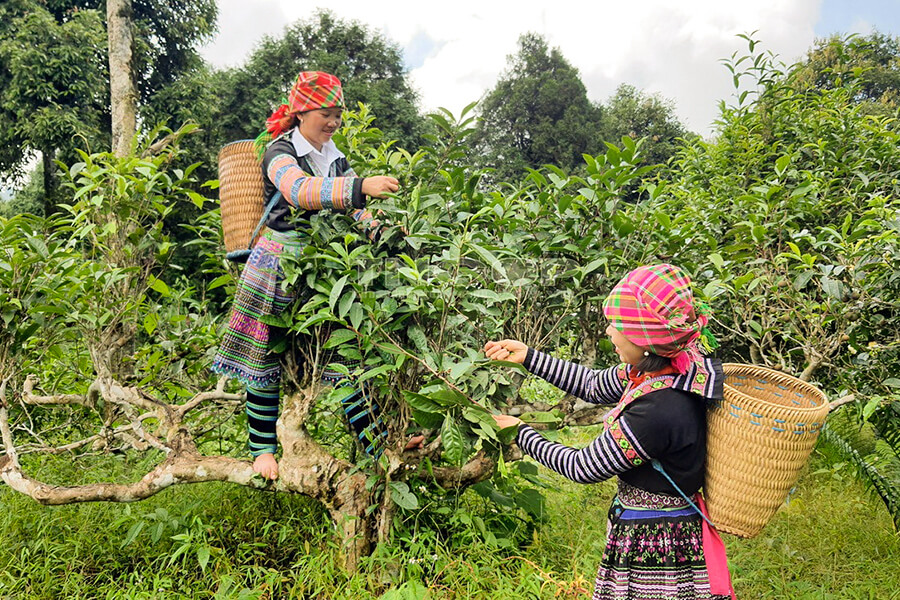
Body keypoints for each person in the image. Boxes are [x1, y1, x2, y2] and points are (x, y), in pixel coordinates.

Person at [484, 264, 736, 600]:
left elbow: (583, 467)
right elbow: (590, 384)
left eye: (617, 325)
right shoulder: (674, 367)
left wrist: (520, 432)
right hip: (660, 527)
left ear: (644, 337)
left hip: (656, 543)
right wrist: (529, 357)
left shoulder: (659, 411)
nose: (608, 332)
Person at [211, 71, 403, 481]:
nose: (333, 122)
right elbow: (300, 191)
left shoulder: (334, 156)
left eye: (338, 114)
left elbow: (355, 209)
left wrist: (385, 234)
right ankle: (262, 451)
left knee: (347, 357)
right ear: (301, 113)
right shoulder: (279, 152)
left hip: (322, 267)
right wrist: (361, 186)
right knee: (265, 359)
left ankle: (379, 446)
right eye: (326, 113)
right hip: (277, 265)